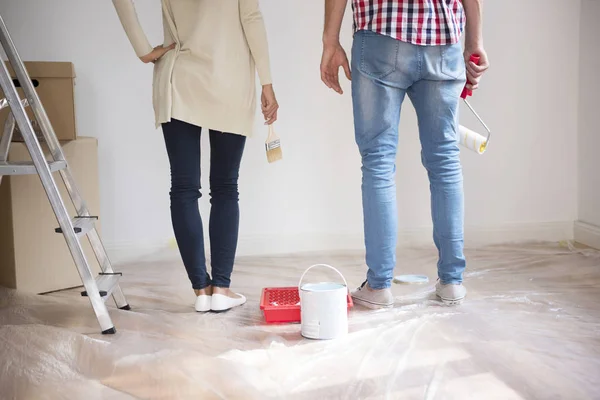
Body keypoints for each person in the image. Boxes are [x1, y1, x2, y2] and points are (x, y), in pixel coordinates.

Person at [321, 0, 489, 308]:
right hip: (443, 36)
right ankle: (452, 282)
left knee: (378, 162)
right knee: (445, 162)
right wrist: (474, 43)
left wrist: (330, 41)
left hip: (381, 32)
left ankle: (379, 286)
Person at [112, 0, 278, 312]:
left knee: (185, 188)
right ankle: (222, 289)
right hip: (229, 81)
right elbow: (251, 18)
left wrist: (143, 48)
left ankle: (201, 290)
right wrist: (267, 83)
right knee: (226, 186)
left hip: (179, 78)